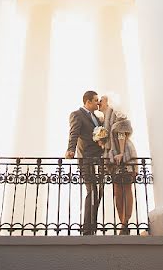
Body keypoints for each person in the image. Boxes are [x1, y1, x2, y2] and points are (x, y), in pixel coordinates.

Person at [65, 90, 104, 235]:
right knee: (91, 191)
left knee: (98, 192)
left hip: (98, 159)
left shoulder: (96, 117)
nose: (98, 103)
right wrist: (70, 150)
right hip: (86, 159)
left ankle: (92, 226)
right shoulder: (77, 114)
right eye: (95, 100)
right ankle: (87, 229)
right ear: (87, 102)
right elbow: (74, 133)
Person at [99, 95, 138, 235]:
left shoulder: (116, 113)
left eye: (101, 101)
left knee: (126, 188)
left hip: (124, 154)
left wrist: (121, 153)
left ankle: (125, 222)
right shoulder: (104, 120)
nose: (98, 103)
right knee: (117, 191)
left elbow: (121, 132)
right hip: (113, 159)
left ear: (108, 102)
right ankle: (122, 222)